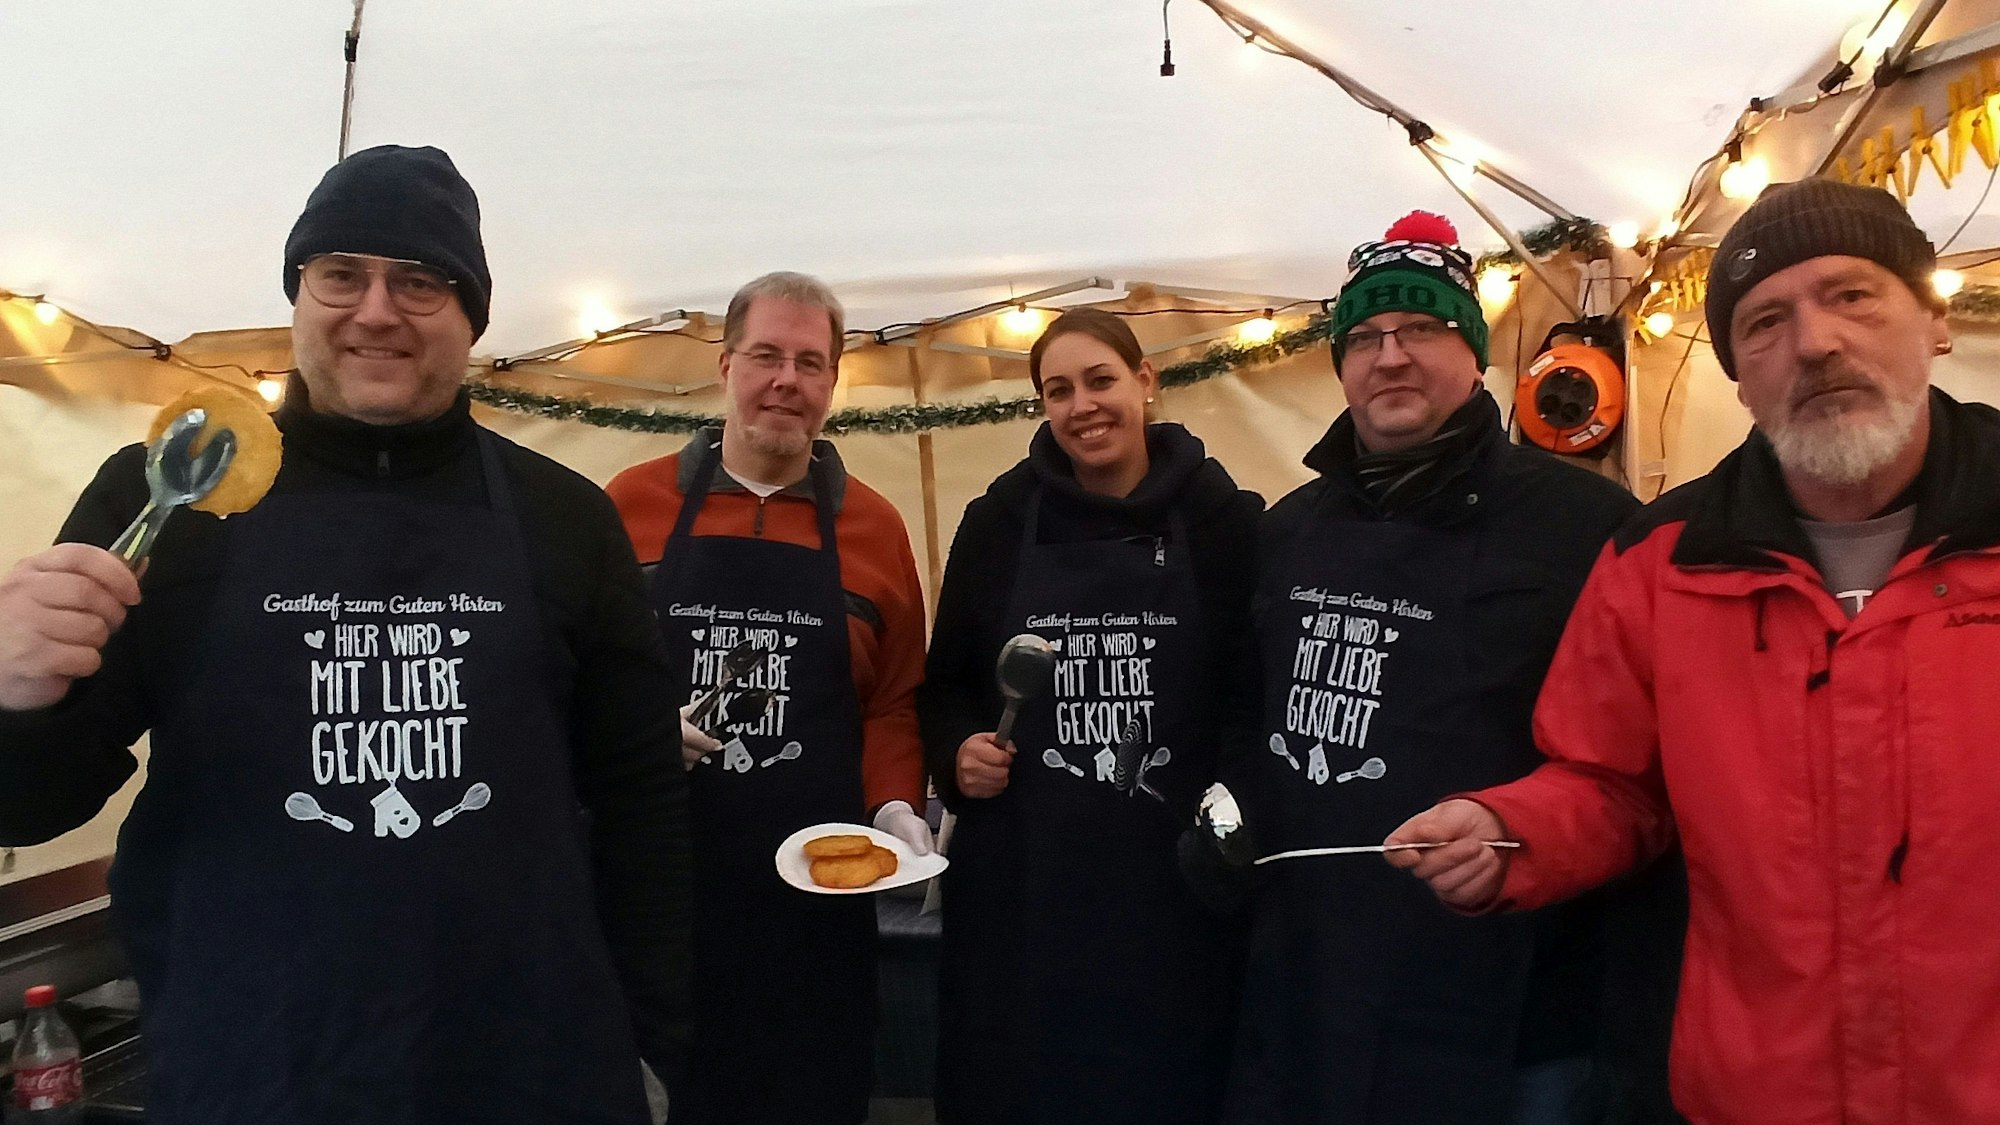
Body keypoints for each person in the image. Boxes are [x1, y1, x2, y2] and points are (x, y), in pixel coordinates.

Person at [0, 145, 692, 1123]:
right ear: (297, 295)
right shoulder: (168, 492)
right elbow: (30, 807)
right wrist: (17, 701)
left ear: (469, 318)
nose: (375, 310)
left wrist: (653, 1041)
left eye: (419, 282)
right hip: (258, 1071)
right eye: (340, 274)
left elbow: (642, 800)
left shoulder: (564, 517)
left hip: (529, 1069)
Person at [1391, 178, 2000, 1124]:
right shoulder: (1661, 562)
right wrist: (1507, 831)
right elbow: (1608, 782)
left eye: (1852, 294)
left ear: (1933, 318)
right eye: (1764, 323)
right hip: (1757, 1094)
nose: (1815, 343)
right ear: (1738, 375)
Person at [1228, 212, 1640, 1124]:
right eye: (1366, 336)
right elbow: (1255, 716)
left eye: (1423, 328)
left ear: (1476, 351)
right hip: (1314, 978)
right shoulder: (1291, 528)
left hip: (1508, 1001)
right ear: (1340, 364)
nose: (1391, 356)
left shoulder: (1583, 522)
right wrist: (1228, 818)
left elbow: (1630, 762)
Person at [918, 308, 1262, 1124]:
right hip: (1027, 894)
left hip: (1175, 891)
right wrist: (957, 754)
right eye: (1058, 389)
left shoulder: (1227, 522)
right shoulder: (999, 522)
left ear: (1146, 380)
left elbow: (1256, 695)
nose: (1083, 405)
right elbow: (944, 686)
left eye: (1101, 379)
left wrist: (1233, 826)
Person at [605, 271, 932, 1125]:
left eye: (810, 362)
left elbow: (893, 700)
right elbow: (577, 679)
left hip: (812, 920)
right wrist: (635, 729)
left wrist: (897, 803)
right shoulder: (630, 504)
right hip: (660, 901)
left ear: (832, 384)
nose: (786, 379)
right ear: (726, 367)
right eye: (766, 356)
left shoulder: (875, 525)